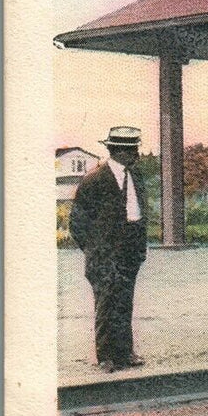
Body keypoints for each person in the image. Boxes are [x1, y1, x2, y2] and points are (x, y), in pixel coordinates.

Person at [69, 126, 149, 372]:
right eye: (132, 149)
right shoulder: (94, 180)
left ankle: (125, 353)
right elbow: (77, 223)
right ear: (118, 151)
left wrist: (137, 246)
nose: (136, 153)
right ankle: (106, 357)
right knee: (106, 303)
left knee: (124, 302)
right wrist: (95, 250)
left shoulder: (135, 176)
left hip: (130, 252)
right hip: (104, 255)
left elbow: (139, 213)